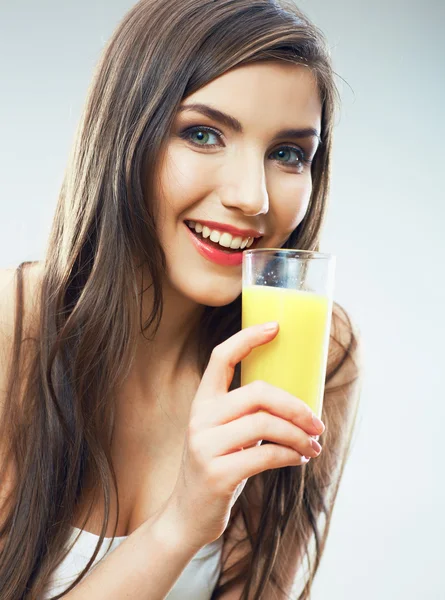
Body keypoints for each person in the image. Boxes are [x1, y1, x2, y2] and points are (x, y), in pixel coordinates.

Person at [0, 0, 363, 598]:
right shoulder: (16, 330)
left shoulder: (315, 352)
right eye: (203, 134)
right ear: (125, 137)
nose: (252, 197)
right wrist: (181, 524)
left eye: (288, 153)